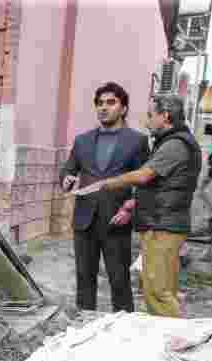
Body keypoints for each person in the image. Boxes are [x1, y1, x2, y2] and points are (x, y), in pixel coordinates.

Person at [74, 95, 201, 318]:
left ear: (166, 116)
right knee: (159, 288)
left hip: (163, 224)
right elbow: (162, 185)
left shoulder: (175, 144)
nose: (146, 121)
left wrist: (108, 183)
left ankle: (171, 338)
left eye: (151, 115)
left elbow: (145, 175)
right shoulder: (173, 141)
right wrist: (134, 202)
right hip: (162, 222)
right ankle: (167, 335)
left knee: (158, 291)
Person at [60, 82, 150, 313]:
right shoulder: (82, 141)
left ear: (123, 108)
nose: (104, 107)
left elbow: (146, 181)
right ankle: (84, 321)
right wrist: (67, 179)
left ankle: (124, 325)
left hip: (116, 219)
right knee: (84, 275)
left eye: (111, 102)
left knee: (118, 279)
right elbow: (69, 169)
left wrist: (130, 208)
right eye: (100, 103)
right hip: (84, 219)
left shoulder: (137, 141)